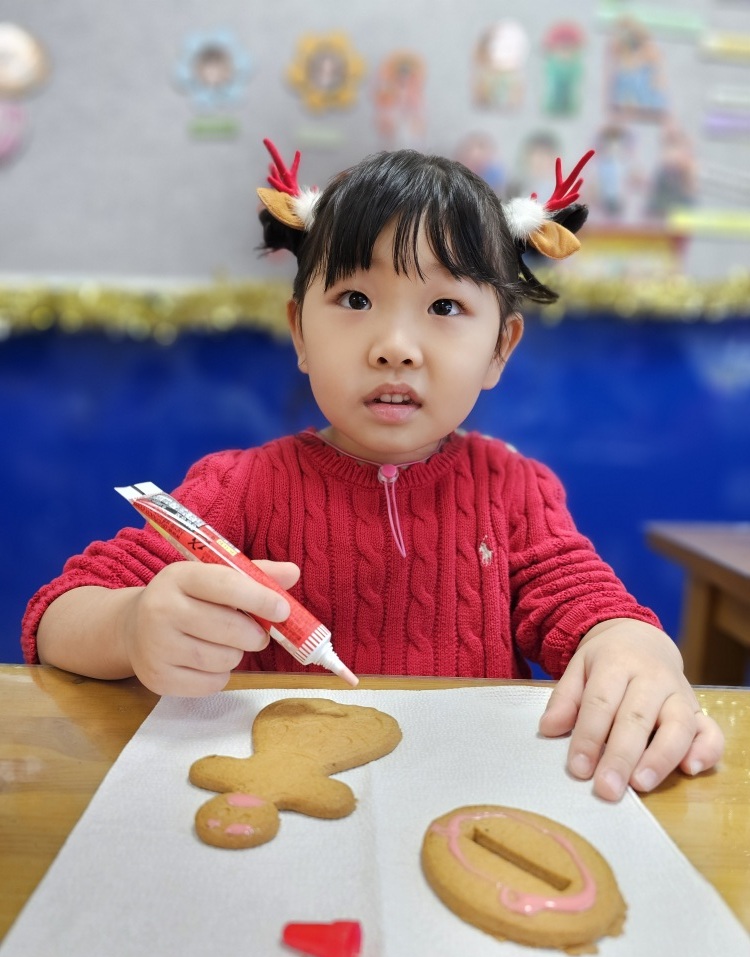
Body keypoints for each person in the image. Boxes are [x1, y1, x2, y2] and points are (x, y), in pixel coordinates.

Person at [22, 139, 724, 802]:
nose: (395, 347)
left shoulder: (516, 490)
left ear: (500, 348)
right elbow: (57, 616)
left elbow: (583, 603)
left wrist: (630, 642)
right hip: (277, 807)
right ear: (300, 331)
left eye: (445, 306)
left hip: (461, 798)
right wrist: (132, 626)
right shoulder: (236, 487)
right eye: (355, 301)